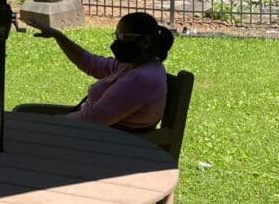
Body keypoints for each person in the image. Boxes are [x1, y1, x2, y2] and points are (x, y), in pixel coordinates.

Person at [22, 12, 175, 131]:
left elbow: (91, 120)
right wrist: (58, 36)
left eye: (123, 38)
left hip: (101, 142)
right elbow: (89, 62)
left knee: (24, 122)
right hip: (93, 132)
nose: (116, 43)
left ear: (145, 42)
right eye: (116, 37)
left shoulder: (141, 79)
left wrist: (50, 122)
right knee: (23, 112)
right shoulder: (133, 66)